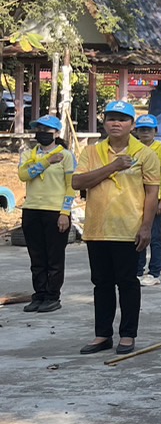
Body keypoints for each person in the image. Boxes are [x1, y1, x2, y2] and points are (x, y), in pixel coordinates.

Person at [72, 101, 161, 356]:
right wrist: (113, 167)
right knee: (101, 283)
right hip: (97, 228)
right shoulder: (91, 152)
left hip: (128, 229)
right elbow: (77, 181)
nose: (116, 123)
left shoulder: (145, 154)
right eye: (111, 118)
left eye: (122, 119)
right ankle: (102, 335)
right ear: (104, 122)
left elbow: (152, 194)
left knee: (127, 283)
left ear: (132, 125)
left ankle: (127, 335)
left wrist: (147, 227)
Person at [19, 113, 75, 315]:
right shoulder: (28, 154)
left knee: (54, 257)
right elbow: (23, 175)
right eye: (39, 129)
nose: (42, 133)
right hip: (32, 209)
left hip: (55, 212)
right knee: (36, 256)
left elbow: (71, 186)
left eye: (46, 130)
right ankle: (40, 294)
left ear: (56, 133)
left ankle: (52, 296)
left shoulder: (66, 156)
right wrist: (46, 162)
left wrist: (65, 212)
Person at [128, 114, 161, 287]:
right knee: (137, 236)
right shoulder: (133, 149)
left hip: (155, 198)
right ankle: (138, 270)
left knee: (154, 236)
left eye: (148, 129)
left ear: (155, 131)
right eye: (142, 129)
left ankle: (154, 271)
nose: (145, 132)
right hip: (136, 199)